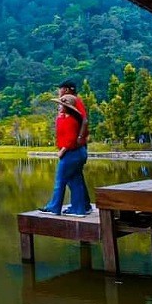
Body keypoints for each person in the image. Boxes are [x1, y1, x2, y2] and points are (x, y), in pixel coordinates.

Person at [38, 94, 91, 217]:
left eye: (62, 105)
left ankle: (54, 207)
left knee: (60, 180)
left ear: (68, 107)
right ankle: (79, 209)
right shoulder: (69, 118)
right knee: (75, 181)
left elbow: (71, 139)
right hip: (78, 153)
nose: (59, 107)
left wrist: (62, 150)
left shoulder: (69, 120)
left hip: (70, 153)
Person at [57, 79, 92, 214]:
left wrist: (79, 139)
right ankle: (84, 205)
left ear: (66, 90)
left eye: (60, 89)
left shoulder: (74, 101)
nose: (59, 92)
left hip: (74, 147)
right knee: (76, 177)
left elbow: (84, 120)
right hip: (73, 146)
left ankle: (79, 206)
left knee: (70, 177)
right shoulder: (72, 102)